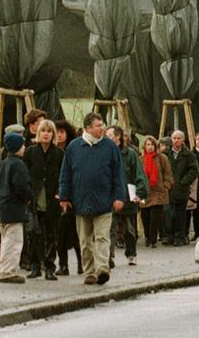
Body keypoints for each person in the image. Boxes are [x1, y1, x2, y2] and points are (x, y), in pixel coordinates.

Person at [57, 113, 125, 286]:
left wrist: (119, 196)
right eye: (97, 125)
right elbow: (65, 174)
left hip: (104, 201)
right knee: (85, 241)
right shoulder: (74, 147)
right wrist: (64, 196)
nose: (101, 128)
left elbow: (118, 174)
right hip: (80, 202)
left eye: (102, 124)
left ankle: (102, 269)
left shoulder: (110, 147)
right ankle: (90, 271)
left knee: (102, 237)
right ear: (87, 128)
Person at [25, 119, 63, 279]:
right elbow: (25, 174)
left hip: (52, 197)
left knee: (51, 234)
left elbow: (63, 175)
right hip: (34, 197)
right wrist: (27, 194)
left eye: (49, 131)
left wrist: (59, 193)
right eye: (43, 131)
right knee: (34, 232)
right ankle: (34, 265)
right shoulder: (30, 152)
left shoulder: (59, 153)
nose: (46, 134)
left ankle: (49, 267)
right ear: (38, 133)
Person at [0, 132, 33, 284]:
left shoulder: (4, 163)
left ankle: (5, 268)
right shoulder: (18, 164)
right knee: (14, 241)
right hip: (15, 207)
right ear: (17, 147)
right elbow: (21, 185)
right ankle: (8, 271)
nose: (24, 147)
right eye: (22, 145)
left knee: (6, 239)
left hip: (3, 206)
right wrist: (29, 197)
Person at [106, 125, 146, 268]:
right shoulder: (105, 152)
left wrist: (140, 193)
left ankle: (131, 254)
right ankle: (109, 256)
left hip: (128, 197)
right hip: (110, 197)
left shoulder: (130, 154)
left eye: (110, 135)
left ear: (118, 137)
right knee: (110, 229)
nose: (108, 138)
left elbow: (139, 174)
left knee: (130, 229)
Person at [52, 121, 81, 275]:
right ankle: (63, 265)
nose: (60, 135)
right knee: (60, 235)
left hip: (72, 197)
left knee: (76, 233)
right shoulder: (53, 152)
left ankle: (81, 263)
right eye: (57, 131)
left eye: (63, 131)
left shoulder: (73, 150)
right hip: (56, 197)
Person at [165, 130, 197, 247]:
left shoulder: (188, 154)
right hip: (168, 188)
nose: (176, 140)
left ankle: (179, 236)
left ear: (183, 140)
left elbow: (193, 170)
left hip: (181, 189)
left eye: (179, 138)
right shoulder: (166, 153)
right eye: (174, 138)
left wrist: (184, 182)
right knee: (168, 213)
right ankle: (169, 236)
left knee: (180, 214)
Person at [140, 135, 171, 248]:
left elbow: (167, 173)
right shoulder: (141, 159)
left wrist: (166, 185)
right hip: (145, 192)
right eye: (148, 145)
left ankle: (153, 240)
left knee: (155, 217)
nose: (150, 147)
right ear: (144, 146)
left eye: (152, 145)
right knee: (145, 217)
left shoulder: (162, 158)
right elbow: (137, 175)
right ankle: (147, 236)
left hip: (158, 191)